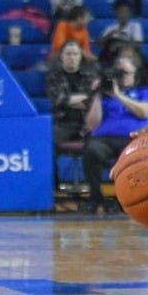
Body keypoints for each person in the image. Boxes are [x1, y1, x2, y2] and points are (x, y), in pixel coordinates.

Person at [84, 55, 148, 213]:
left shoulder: (143, 92)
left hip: (132, 138)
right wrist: (97, 94)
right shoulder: (104, 97)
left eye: (125, 73)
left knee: (133, 155)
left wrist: (118, 95)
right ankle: (97, 199)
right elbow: (92, 125)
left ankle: (127, 200)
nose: (121, 77)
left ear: (134, 75)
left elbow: (145, 112)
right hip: (103, 139)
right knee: (91, 151)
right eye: (118, 73)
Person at [45, 40, 100, 187]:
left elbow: (92, 101)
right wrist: (82, 98)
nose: (72, 57)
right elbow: (58, 100)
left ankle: (95, 193)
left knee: (98, 147)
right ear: (62, 56)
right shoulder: (54, 75)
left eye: (75, 54)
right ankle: (53, 189)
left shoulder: (90, 75)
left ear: (80, 56)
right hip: (63, 125)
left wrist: (69, 100)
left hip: (86, 125)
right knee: (45, 144)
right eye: (68, 54)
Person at [97, 0, 145, 66]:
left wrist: (119, 45)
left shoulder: (135, 26)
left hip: (129, 54)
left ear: (130, 13)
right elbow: (99, 44)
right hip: (112, 55)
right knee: (110, 42)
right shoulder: (111, 28)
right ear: (115, 13)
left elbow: (138, 44)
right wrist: (110, 34)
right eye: (120, 12)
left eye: (125, 12)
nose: (123, 15)